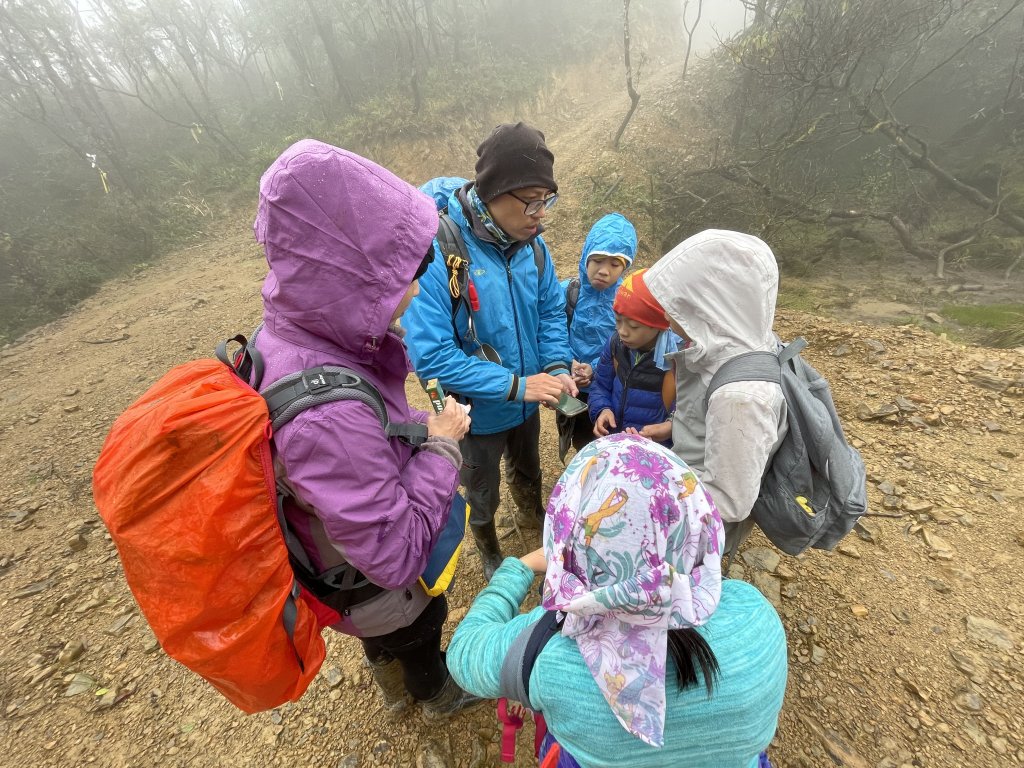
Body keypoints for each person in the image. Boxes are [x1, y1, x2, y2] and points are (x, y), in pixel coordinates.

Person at [251, 139, 480, 718]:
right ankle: (430, 694)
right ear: (350, 272)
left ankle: (389, 684)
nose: (420, 288)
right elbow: (396, 553)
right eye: (405, 271)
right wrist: (445, 444)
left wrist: (416, 430)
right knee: (421, 627)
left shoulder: (292, 336)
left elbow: (362, 453)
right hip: (377, 585)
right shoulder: (326, 412)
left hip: (340, 574)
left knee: (381, 635)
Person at [446, 434, 788, 768]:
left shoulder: (549, 653)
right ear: (697, 517)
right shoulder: (757, 617)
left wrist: (517, 568)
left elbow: (464, 652)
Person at [403, 122, 577, 581]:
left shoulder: (533, 248)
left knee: (528, 469)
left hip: (526, 402)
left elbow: (551, 313)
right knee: (479, 488)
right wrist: (515, 385)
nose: (541, 213)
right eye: (532, 200)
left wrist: (556, 365)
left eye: (547, 200)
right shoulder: (439, 252)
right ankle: (488, 546)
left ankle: (531, 519)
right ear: (496, 191)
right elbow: (432, 357)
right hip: (473, 412)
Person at [644, 229, 789, 556]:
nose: (666, 316)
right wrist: (676, 426)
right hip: (690, 497)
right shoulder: (748, 343)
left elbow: (729, 500)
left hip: (699, 527)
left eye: (679, 304)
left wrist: (654, 496)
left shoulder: (740, 397)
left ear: (711, 307)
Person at [556, 212, 637, 461]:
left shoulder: (629, 299)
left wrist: (593, 368)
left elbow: (629, 344)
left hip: (610, 389)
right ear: (585, 257)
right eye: (598, 261)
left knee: (604, 444)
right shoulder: (567, 292)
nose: (604, 271)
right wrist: (565, 362)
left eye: (615, 265)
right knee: (578, 440)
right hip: (569, 386)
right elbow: (552, 331)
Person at [588, 268, 676, 446]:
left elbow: (688, 411)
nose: (622, 332)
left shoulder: (676, 358)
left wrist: (671, 427)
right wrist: (602, 409)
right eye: (618, 320)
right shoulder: (615, 344)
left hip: (654, 449)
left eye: (634, 326)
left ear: (660, 325)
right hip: (615, 441)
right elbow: (601, 384)